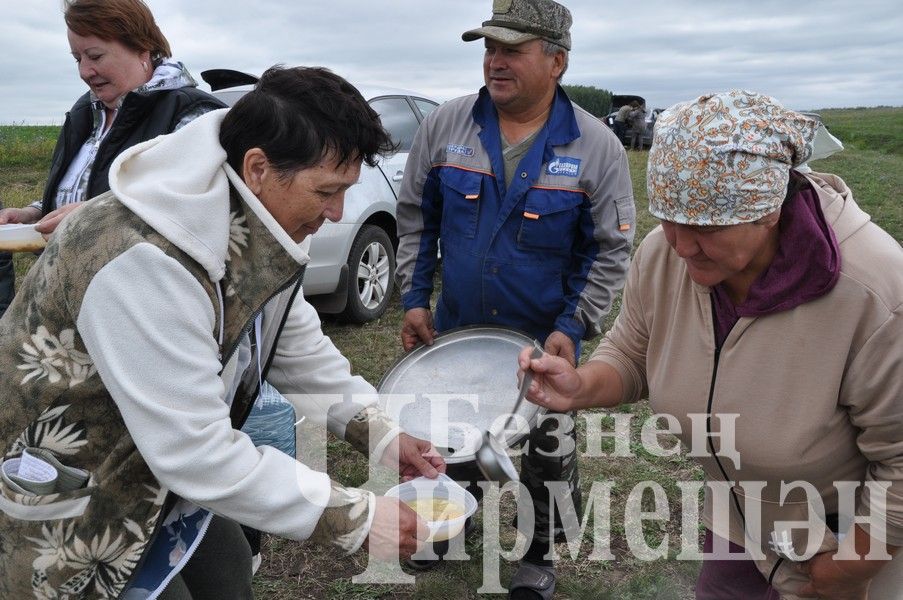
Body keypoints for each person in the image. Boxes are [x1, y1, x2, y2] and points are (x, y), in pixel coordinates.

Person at [0, 66, 445, 599]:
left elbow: (296, 347)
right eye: (326, 191)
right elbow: (196, 452)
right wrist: (356, 518)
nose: (337, 213)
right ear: (257, 167)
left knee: (228, 566)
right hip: (79, 487)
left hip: (156, 467)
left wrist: (381, 433)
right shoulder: (142, 257)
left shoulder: (255, 218)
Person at [518, 90, 903, 599]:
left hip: (846, 537)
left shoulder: (875, 292)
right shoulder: (665, 255)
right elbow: (633, 351)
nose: (681, 244)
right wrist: (580, 385)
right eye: (669, 219)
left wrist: (851, 567)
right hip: (739, 518)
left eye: (707, 228)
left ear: (770, 210)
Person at [395, 0, 635, 596]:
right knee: (452, 442)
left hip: (542, 341)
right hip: (460, 333)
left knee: (547, 456)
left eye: (512, 51)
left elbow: (608, 251)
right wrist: (415, 297)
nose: (495, 63)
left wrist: (574, 325)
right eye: (489, 50)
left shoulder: (596, 146)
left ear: (556, 61)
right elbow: (416, 219)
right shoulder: (447, 127)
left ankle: (539, 553)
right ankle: (450, 526)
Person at [0, 0, 225, 303]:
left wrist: (93, 217)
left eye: (94, 56)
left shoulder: (191, 115)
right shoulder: (84, 113)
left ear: (141, 48)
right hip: (73, 294)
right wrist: (33, 213)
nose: (84, 71)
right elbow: (83, 190)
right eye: (76, 58)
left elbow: (198, 214)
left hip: (142, 302)